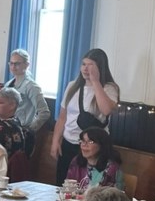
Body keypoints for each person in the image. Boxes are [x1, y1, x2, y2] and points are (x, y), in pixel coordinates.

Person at [51, 48, 120, 185]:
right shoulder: (72, 86)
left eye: (91, 65)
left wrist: (95, 82)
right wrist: (55, 141)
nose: (85, 68)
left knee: (85, 186)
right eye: (83, 64)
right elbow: (63, 117)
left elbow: (106, 110)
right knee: (63, 184)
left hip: (93, 147)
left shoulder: (109, 88)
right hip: (69, 142)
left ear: (100, 67)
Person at [4, 49, 50, 147]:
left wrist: (29, 130)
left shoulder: (31, 86)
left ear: (26, 65)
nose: (13, 67)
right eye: (11, 63)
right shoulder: (8, 84)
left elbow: (44, 112)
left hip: (22, 132)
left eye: (17, 64)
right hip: (8, 130)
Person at [0, 86, 31, 182]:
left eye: (0, 103)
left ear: (12, 105)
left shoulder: (0, 128)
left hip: (2, 171)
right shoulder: (16, 121)